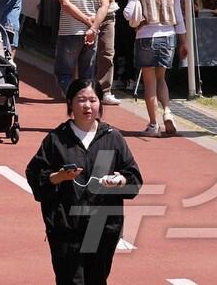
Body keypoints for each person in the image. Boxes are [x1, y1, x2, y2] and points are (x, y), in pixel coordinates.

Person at [25, 80, 143, 285]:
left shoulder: (112, 138)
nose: (87, 106)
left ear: (100, 103)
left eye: (92, 100)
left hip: (102, 225)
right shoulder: (57, 139)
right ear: (70, 103)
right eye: (81, 100)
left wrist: (119, 180)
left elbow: (133, 178)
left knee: (96, 280)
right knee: (71, 280)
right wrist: (59, 177)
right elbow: (36, 176)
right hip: (66, 226)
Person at [123, 0, 187, 136]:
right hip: (168, 35)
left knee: (149, 82)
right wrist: (183, 41)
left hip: (145, 35)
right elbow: (178, 16)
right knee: (161, 78)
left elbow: (128, 12)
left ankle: (153, 124)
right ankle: (167, 111)